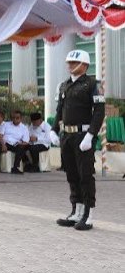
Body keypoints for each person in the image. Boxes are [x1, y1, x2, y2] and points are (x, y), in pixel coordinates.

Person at [52, 49, 105, 231]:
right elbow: (59, 109)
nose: (70, 66)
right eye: (68, 63)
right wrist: (54, 129)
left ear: (84, 65)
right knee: (71, 174)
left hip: (83, 136)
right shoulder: (64, 85)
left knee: (85, 175)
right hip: (67, 136)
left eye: (73, 63)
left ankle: (88, 214)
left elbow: (99, 112)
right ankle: (76, 210)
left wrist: (91, 135)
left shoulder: (93, 84)